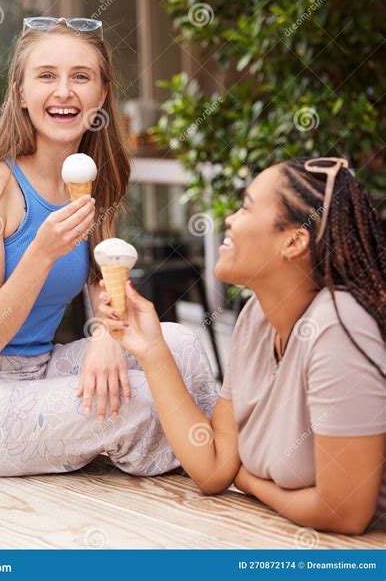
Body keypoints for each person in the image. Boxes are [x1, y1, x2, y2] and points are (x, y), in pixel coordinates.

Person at [0, 18, 218, 477]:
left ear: (101, 94)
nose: (64, 91)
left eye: (81, 76)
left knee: (182, 346)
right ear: (20, 93)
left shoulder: (91, 181)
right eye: (46, 75)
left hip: (39, 369)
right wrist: (40, 251)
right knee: (142, 402)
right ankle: (220, 470)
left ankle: (219, 461)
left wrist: (105, 337)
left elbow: (103, 280)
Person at [99, 157, 385, 535]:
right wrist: (151, 349)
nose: (230, 219)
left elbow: (343, 513)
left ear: (294, 240)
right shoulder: (256, 319)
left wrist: (250, 483)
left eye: (247, 206)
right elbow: (215, 466)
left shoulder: (337, 327)